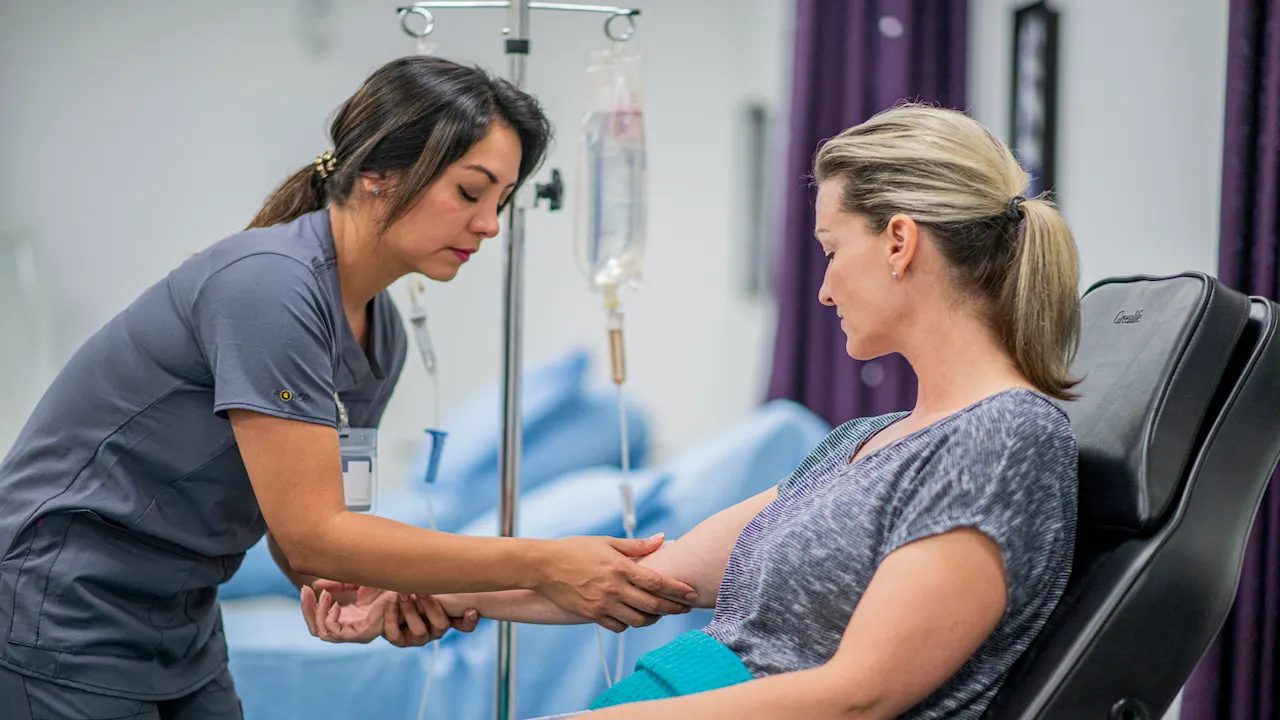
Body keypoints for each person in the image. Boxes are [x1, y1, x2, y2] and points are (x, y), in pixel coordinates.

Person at [309, 103, 1083, 720]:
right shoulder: (865, 441)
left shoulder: (1004, 437)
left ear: (899, 243)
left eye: (830, 249)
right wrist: (416, 592)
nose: (824, 288)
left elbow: (858, 696)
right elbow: (650, 577)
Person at [0, 55, 698, 720]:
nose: (488, 225)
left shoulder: (377, 331)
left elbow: (313, 540)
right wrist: (546, 560)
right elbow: (313, 538)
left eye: (503, 201)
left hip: (180, 620)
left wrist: (374, 590)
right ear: (377, 173)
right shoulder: (268, 286)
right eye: (469, 191)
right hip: (62, 606)